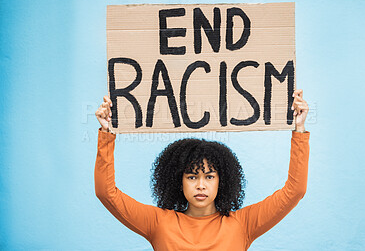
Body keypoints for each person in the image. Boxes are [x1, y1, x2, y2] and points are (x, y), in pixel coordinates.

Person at [95, 89, 310, 250]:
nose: (200, 185)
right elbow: (106, 192)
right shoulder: (159, 223)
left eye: (209, 176)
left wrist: (299, 129)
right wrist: (107, 133)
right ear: (178, 181)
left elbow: (295, 191)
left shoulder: (243, 225)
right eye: (191, 176)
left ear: (221, 181)